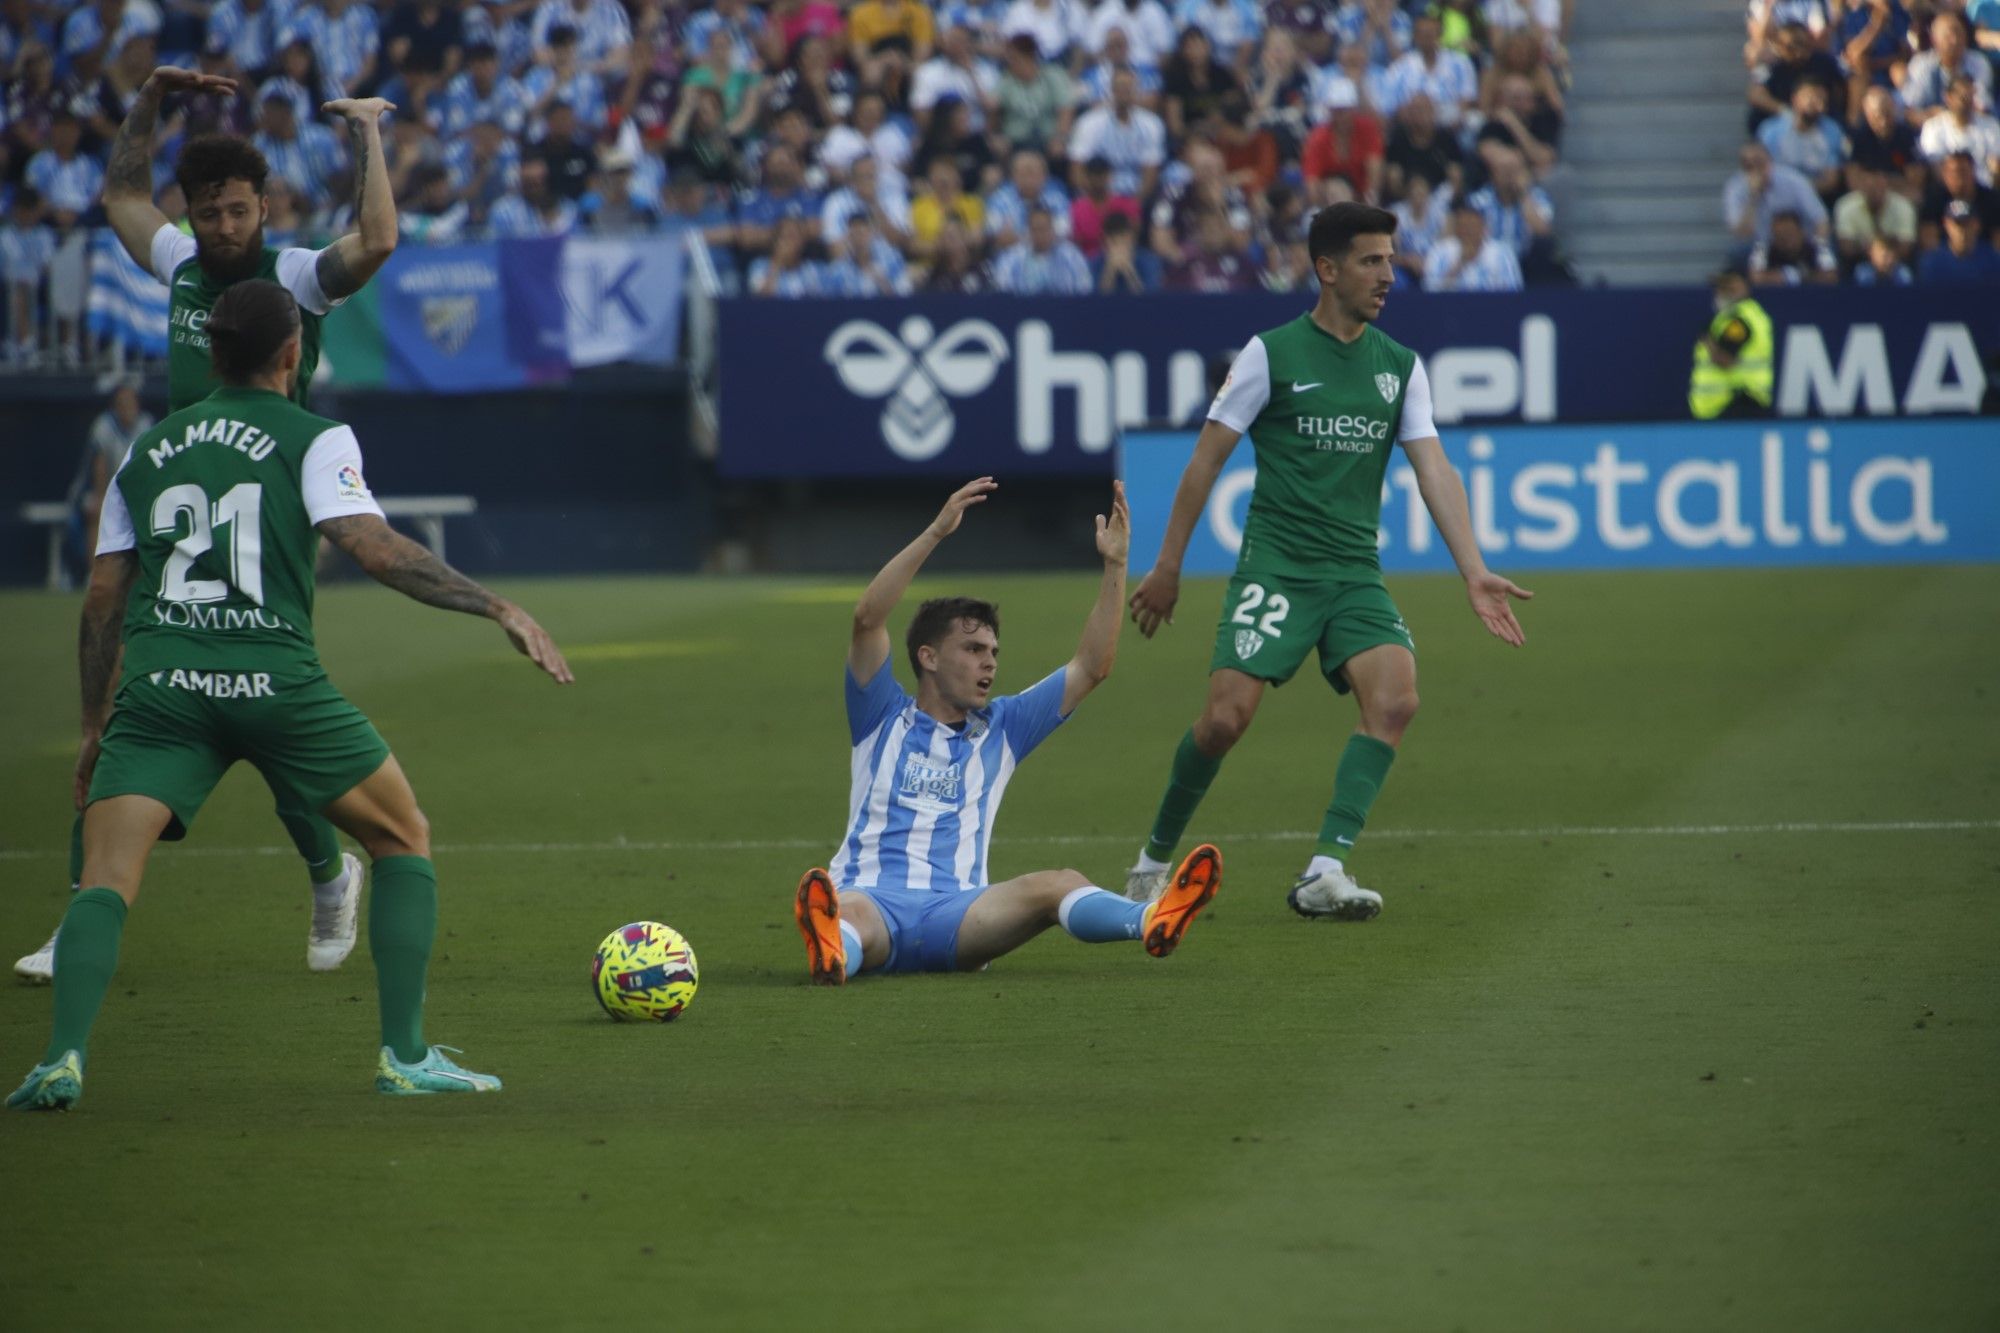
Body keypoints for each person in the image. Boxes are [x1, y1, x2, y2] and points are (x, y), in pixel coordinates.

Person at [7, 281, 573, 1111]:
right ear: (290, 354)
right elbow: (374, 548)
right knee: (401, 835)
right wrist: (496, 605)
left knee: (106, 875)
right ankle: (404, 1057)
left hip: (163, 685)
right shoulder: (314, 435)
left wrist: (95, 721)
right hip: (274, 683)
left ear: (210, 355)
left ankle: (58, 1059)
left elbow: (101, 597)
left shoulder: (148, 447)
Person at [14, 64, 403, 987]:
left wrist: (366, 133)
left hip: (264, 521)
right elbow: (119, 193)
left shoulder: (296, 276)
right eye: (210, 211)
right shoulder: (181, 262)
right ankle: (84, 916)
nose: (225, 226)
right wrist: (147, 95)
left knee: (257, 715)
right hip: (177, 499)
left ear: (264, 205)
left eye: (238, 208)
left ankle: (325, 873)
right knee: (110, 699)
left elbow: (379, 237)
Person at [1122, 202, 1531, 916]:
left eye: (1392, 259)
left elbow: (1435, 469)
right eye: (1373, 261)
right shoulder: (1271, 353)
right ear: (1327, 269)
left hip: (1351, 572)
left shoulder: (1399, 366)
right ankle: (1151, 862)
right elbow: (1204, 462)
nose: (1388, 276)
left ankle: (1325, 870)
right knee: (1224, 720)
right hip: (1277, 567)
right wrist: (1167, 566)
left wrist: (1473, 568)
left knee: (1397, 696)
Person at [791, 477, 1222, 985]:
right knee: (853, 915)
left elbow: (1091, 667)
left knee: (1055, 883)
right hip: (872, 899)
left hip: (959, 916)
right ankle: (835, 951)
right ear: (927, 657)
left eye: (993, 653)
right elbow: (867, 619)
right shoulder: (879, 714)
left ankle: (1152, 919)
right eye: (973, 650)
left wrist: (1116, 564)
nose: (989, 664)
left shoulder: (1004, 726)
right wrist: (934, 533)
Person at [1689, 268, 1774, 419]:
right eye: (1720, 286)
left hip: (1737, 403)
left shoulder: (1740, 319)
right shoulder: (1732, 316)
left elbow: (1724, 359)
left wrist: (1706, 338)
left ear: (1744, 286)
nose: (1722, 291)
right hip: (1726, 405)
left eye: (1729, 286)